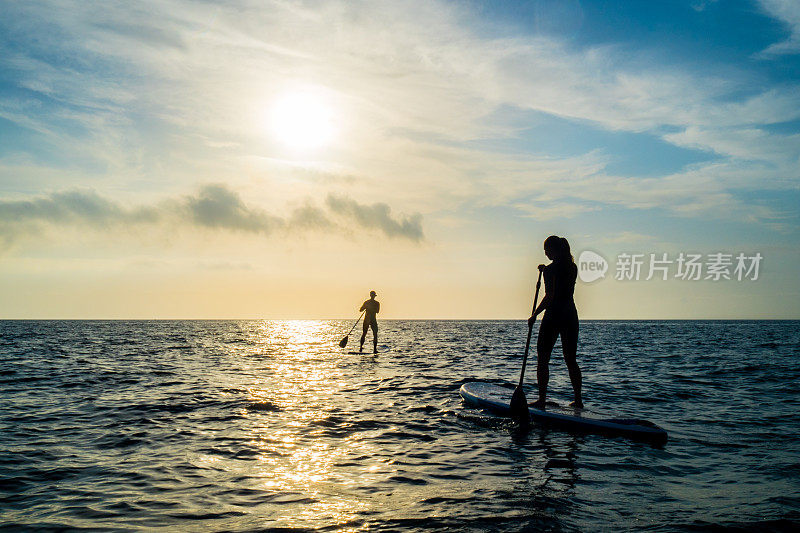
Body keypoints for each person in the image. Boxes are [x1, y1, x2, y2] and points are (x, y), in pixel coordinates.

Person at [528, 236, 582, 409]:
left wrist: (535, 314)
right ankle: (578, 400)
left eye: (547, 249)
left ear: (555, 250)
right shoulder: (572, 267)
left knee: (543, 358)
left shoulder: (550, 270)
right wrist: (546, 270)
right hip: (571, 315)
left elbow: (550, 296)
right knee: (570, 359)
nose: (545, 253)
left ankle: (542, 400)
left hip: (554, 316)